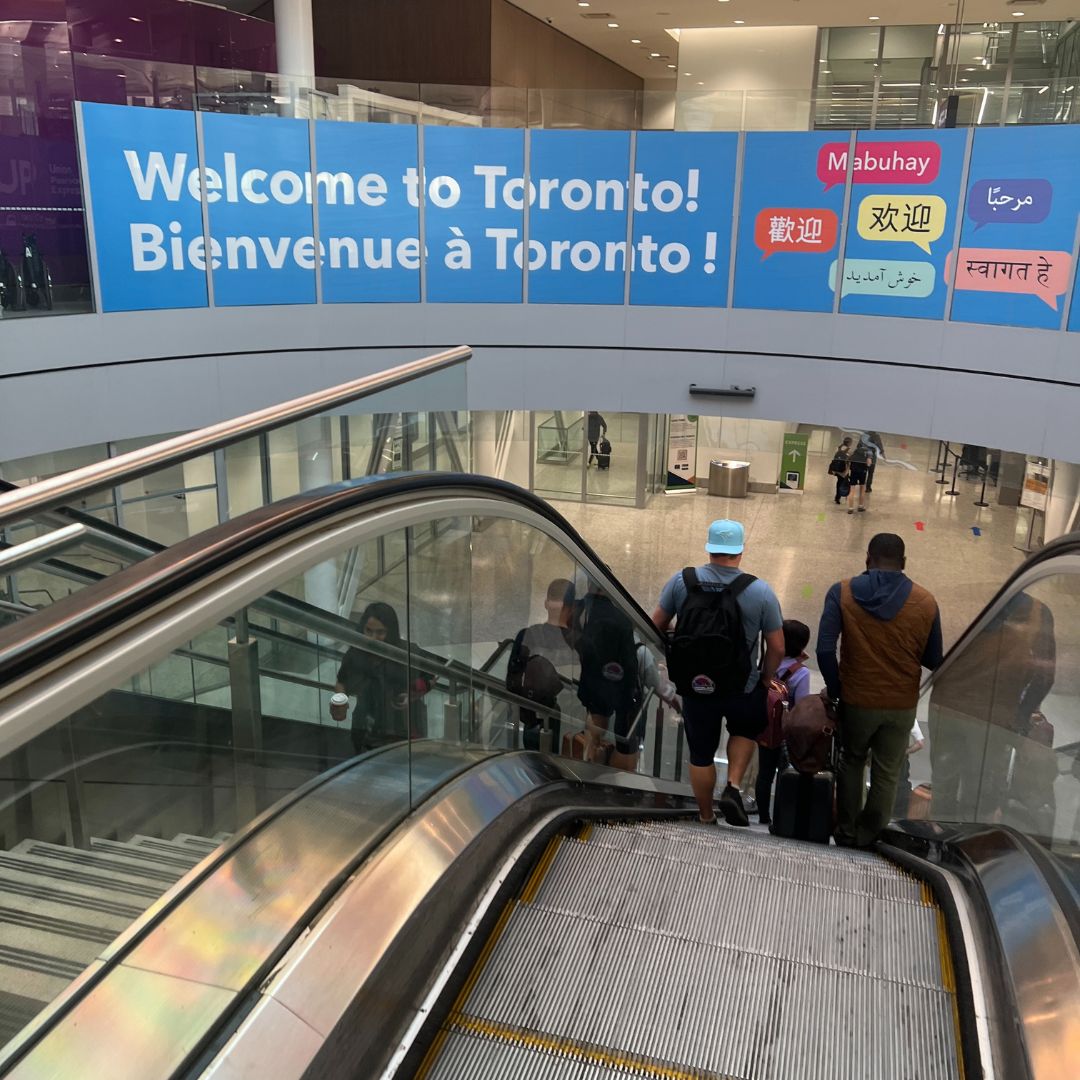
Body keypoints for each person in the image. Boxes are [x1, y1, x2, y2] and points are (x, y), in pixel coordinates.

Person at [652, 519, 785, 827]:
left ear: (709, 548)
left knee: (700, 753)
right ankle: (734, 786)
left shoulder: (681, 581)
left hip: (696, 684)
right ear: (739, 551)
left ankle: (706, 815)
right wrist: (765, 678)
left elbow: (656, 624)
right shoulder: (760, 591)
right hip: (742, 684)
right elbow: (777, 646)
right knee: (744, 731)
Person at [817, 533, 943, 848]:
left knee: (852, 760)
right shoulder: (925, 601)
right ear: (903, 564)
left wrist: (836, 689)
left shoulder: (842, 593)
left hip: (856, 699)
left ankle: (845, 832)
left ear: (867, 560)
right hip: (901, 704)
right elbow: (933, 659)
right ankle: (869, 836)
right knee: (888, 772)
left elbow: (823, 650)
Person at [928, 591, 1055, 830]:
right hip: (993, 718)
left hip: (946, 707)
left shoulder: (967, 604)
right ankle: (967, 850)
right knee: (979, 797)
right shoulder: (1038, 613)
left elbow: (936, 657)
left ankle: (936, 845)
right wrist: (1020, 717)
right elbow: (1044, 676)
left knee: (943, 787)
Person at [332, 601, 431, 754]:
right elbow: (341, 681)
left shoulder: (407, 652)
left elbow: (431, 675)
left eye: (380, 632)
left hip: (401, 730)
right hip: (365, 728)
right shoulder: (355, 653)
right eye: (368, 631)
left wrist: (412, 694)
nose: (373, 638)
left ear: (390, 632)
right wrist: (340, 701)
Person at [567, 579, 640, 769]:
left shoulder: (578, 609)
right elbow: (630, 663)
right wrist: (628, 695)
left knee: (593, 722)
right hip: (612, 684)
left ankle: (588, 760)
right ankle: (592, 765)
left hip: (589, 680)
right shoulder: (621, 618)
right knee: (604, 730)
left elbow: (571, 636)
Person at [506, 578, 575, 751]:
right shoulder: (580, 643)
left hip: (532, 722)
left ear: (546, 603)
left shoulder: (526, 635)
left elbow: (511, 681)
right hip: (570, 728)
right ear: (573, 608)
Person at [756, 619, 812, 825]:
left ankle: (763, 815)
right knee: (786, 773)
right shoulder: (802, 673)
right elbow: (802, 706)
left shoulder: (767, 661)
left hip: (765, 726)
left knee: (765, 772)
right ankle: (781, 816)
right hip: (786, 732)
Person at [891, 719, 925, 819]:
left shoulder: (881, 709)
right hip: (901, 762)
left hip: (883, 761)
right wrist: (904, 752)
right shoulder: (908, 715)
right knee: (900, 792)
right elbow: (920, 744)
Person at [846, 439, 873, 514]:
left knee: (852, 490)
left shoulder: (856, 450)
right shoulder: (869, 451)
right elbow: (869, 463)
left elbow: (849, 459)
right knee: (862, 489)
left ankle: (850, 508)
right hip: (862, 472)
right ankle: (860, 506)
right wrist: (868, 465)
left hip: (854, 471)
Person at [829, 436, 853, 505]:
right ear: (849, 443)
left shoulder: (839, 448)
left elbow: (837, 454)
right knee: (845, 483)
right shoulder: (848, 450)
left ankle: (837, 498)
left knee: (839, 483)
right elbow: (848, 460)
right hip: (843, 470)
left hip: (837, 469)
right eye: (851, 442)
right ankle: (844, 496)